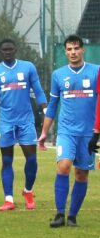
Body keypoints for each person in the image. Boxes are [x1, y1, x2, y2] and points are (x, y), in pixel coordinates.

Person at [38, 34, 99, 228]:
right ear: (65, 52)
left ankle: (72, 216)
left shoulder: (96, 72)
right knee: (63, 166)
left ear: (83, 50)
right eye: (69, 49)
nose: (72, 52)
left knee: (81, 174)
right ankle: (59, 214)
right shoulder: (58, 75)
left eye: (76, 49)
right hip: (66, 131)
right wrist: (44, 132)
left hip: (88, 132)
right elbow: (53, 105)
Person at [0, 38, 47, 211]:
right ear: (0, 52)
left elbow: (38, 91)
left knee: (31, 159)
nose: (7, 52)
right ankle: (9, 200)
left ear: (15, 50)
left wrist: (46, 111)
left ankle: (28, 191)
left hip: (26, 120)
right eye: (4, 50)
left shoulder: (28, 67)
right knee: (7, 160)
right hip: (6, 122)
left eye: (10, 49)